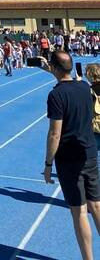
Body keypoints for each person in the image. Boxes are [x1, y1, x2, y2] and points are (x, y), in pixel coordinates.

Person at [40, 51, 100, 260]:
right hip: (89, 152)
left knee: (80, 211)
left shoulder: (56, 95)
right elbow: (69, 79)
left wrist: (48, 164)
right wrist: (52, 70)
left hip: (69, 158)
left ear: (54, 68)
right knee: (96, 204)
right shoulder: (84, 87)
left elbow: (55, 133)